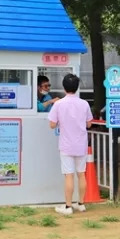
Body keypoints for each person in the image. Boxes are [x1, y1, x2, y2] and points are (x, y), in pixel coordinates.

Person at [48, 73, 93, 216]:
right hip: (81, 144)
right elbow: (89, 123)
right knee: (81, 174)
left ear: (64, 87)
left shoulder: (58, 104)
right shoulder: (84, 103)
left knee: (69, 176)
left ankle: (68, 206)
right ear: (77, 87)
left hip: (66, 144)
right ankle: (81, 204)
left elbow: (52, 124)